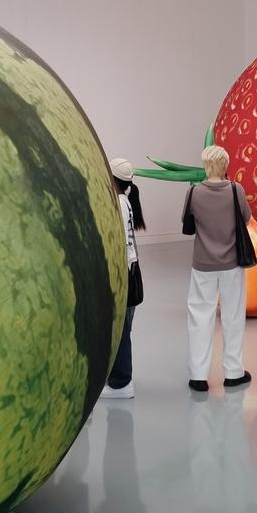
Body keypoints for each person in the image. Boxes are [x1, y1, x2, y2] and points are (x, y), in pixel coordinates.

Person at [184, 145, 252, 392]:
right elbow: (245, 217)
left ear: (205, 165)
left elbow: (188, 223)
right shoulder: (236, 190)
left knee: (200, 317)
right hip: (232, 264)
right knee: (233, 316)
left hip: (202, 264)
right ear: (225, 165)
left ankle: (198, 375)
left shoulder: (194, 193)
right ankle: (233, 372)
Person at [101, 158, 146, 399]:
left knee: (120, 331)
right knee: (123, 329)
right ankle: (119, 378)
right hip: (132, 271)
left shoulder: (116, 202)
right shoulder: (126, 201)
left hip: (124, 274)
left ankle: (121, 383)